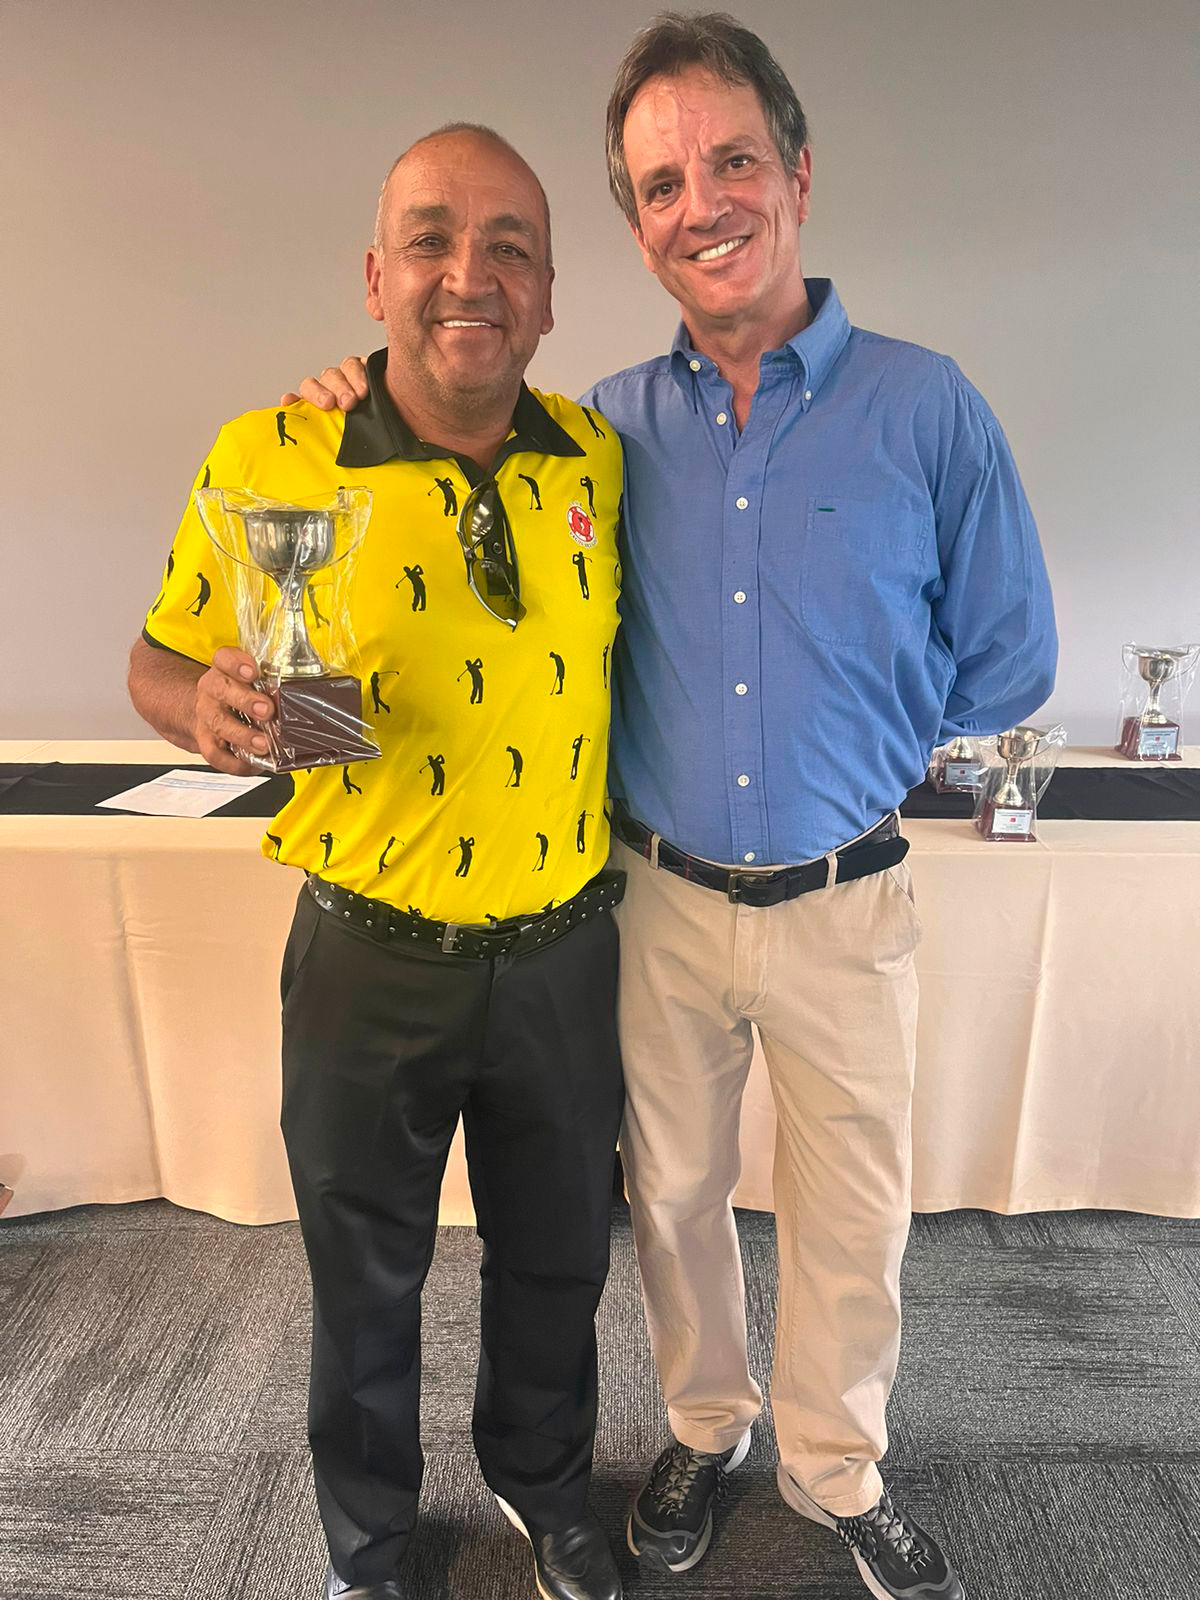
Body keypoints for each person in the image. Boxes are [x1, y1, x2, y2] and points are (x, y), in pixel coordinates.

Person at [293, 15, 1057, 1599]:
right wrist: (347, 396)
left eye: (730, 163)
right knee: (677, 1204)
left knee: (856, 1211)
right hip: (655, 907)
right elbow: (439, 441)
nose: (700, 203)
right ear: (634, 230)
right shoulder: (600, 434)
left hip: (848, 899)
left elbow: (1012, 655)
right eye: (659, 184)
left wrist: (875, 735)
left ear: (797, 174)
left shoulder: (928, 409)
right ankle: (705, 1430)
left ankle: (840, 1468)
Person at [128, 124, 627, 1600]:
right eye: (431, 241)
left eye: (510, 249)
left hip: (562, 951)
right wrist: (200, 707)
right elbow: (156, 659)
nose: (470, 276)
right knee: (363, 1277)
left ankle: (543, 1481)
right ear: (373, 278)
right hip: (366, 954)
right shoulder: (271, 455)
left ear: (550, 296)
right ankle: (367, 1541)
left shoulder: (601, 459)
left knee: (560, 1258)